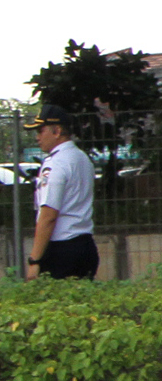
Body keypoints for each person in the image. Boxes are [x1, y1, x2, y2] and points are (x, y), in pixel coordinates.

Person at [24, 104, 98, 280]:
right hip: (85, 245)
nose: (37, 137)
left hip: (61, 249)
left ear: (56, 131)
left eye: (40, 131)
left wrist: (35, 260)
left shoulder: (55, 164)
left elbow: (49, 215)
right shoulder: (81, 158)